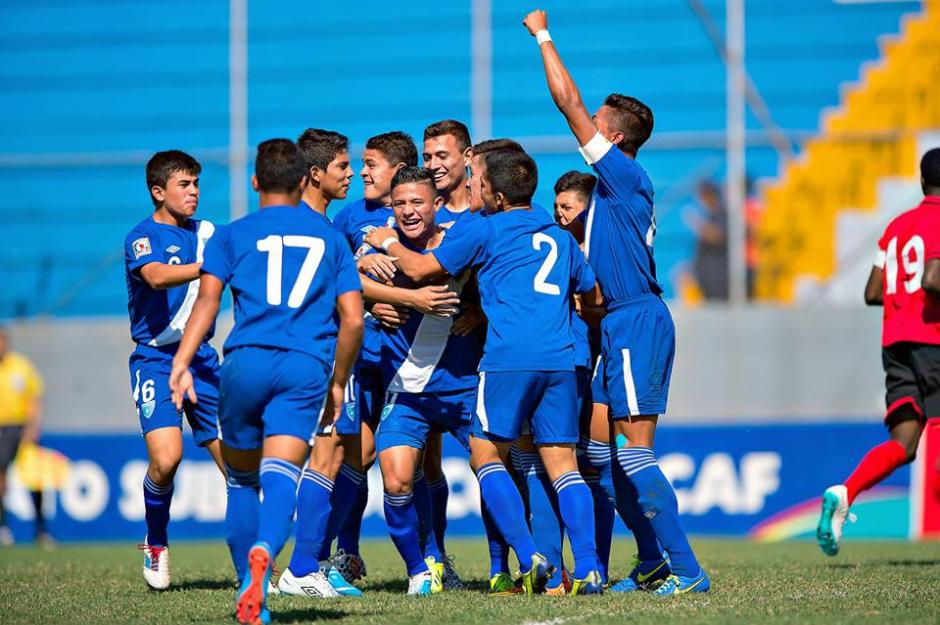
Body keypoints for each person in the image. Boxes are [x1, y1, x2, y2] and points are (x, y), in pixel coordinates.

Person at [524, 8, 710, 595]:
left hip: (637, 320)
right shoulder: (611, 192)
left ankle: (687, 571)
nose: (590, 132)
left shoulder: (625, 176)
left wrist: (543, 36)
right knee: (599, 454)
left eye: (601, 127)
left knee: (634, 453)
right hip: (618, 322)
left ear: (617, 137)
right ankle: (651, 561)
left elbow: (567, 103)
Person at [365, 148, 605, 595]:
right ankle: (590, 568)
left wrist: (386, 241)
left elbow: (419, 268)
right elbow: (593, 299)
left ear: (494, 194)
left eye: (475, 179)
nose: (471, 185)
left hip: (507, 360)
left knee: (485, 456)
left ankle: (528, 553)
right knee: (564, 467)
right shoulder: (560, 236)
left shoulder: (487, 231)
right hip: (560, 360)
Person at [169, 138, 363, 625]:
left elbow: (207, 305)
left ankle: (247, 586)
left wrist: (181, 363)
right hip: (304, 367)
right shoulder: (331, 239)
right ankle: (265, 552)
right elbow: (354, 321)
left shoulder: (230, 236)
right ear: (303, 182)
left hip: (244, 363)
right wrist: (338, 382)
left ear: (255, 182)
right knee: (282, 475)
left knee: (240, 478)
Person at [817, 148, 940, 556]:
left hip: (896, 345)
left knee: (904, 443)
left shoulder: (897, 226)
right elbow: (934, 280)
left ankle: (845, 491)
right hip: (932, 340)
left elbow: (872, 292)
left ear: (922, 182)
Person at [366, 166, 481, 595]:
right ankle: (421, 570)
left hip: (462, 387)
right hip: (407, 391)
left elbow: (501, 282)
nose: (409, 211)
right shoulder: (376, 244)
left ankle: (517, 564)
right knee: (395, 479)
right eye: (400, 204)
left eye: (417, 202)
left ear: (436, 204)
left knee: (503, 468)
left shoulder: (460, 240)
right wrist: (376, 299)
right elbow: (347, 279)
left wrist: (481, 311)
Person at [123, 150, 224, 590]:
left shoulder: (209, 233)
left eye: (197, 184)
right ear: (158, 191)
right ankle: (157, 541)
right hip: (155, 360)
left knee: (238, 468)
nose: (194, 193)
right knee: (166, 460)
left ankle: (262, 564)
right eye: (185, 185)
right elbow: (157, 276)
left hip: (203, 359)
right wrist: (208, 266)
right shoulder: (140, 238)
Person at [322, 132, 418, 586]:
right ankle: (344, 553)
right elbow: (333, 275)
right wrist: (365, 286)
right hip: (363, 357)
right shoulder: (347, 217)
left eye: (372, 163)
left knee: (423, 464)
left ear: (398, 171)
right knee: (355, 454)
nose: (362, 172)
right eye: (358, 163)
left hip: (412, 358)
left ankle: (434, 560)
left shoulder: (417, 211)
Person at [0, 326, 47, 546]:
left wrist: (32, 426)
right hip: (1, 429)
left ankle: (40, 530)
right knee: (1, 480)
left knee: (34, 479)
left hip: (22, 428)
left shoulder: (20, 366)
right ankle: (4, 528)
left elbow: (35, 396)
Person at [687, 181, 729, 301]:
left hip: (718, 279)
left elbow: (717, 236)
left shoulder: (723, 213)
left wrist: (699, 224)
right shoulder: (711, 215)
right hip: (707, 278)